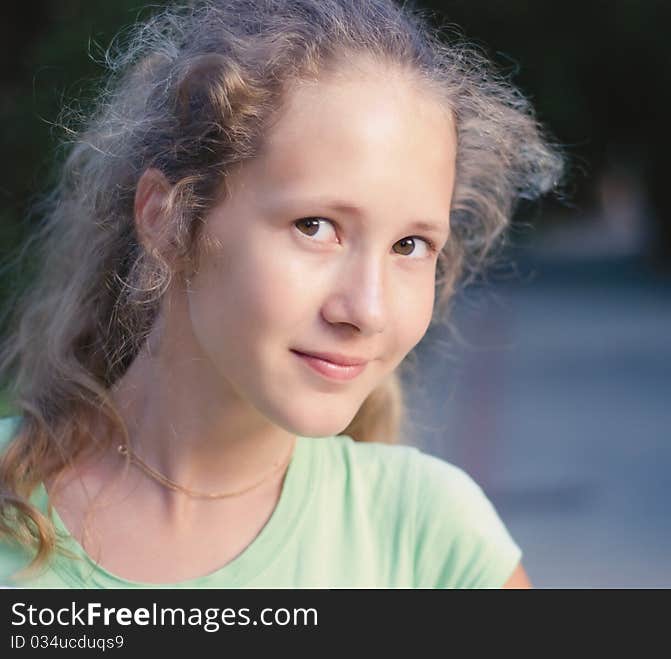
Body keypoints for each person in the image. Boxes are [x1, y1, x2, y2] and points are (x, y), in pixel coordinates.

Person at [0, 0, 563, 588]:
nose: (366, 310)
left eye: (410, 245)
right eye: (314, 226)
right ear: (168, 221)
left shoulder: (436, 545)